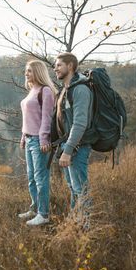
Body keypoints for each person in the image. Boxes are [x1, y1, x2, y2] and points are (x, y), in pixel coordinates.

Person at [53, 52, 95, 216]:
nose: (55, 69)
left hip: (78, 146)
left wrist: (68, 150)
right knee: (73, 187)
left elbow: (80, 123)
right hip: (68, 145)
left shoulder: (80, 89)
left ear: (70, 66)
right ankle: (74, 224)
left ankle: (86, 228)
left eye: (58, 65)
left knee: (81, 189)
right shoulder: (66, 89)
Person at [18, 60, 57, 226]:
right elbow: (28, 117)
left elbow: (46, 118)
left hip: (39, 141)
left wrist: (43, 139)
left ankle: (43, 214)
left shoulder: (45, 91)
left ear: (38, 72)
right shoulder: (32, 90)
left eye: (30, 71)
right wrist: (23, 136)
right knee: (31, 178)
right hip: (29, 139)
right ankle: (34, 209)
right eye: (26, 71)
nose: (26, 73)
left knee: (41, 179)